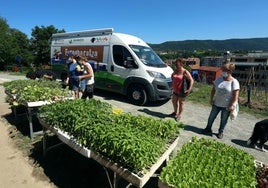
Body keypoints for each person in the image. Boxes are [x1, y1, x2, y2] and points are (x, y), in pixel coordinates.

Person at [202, 62, 240, 139]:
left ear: (230, 71)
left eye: (225, 70)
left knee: (223, 119)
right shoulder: (219, 79)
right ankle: (208, 128)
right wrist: (211, 99)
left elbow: (235, 95)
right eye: (223, 69)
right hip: (216, 103)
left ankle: (220, 131)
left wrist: (232, 105)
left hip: (226, 106)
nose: (223, 71)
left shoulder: (234, 82)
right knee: (211, 117)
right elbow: (213, 90)